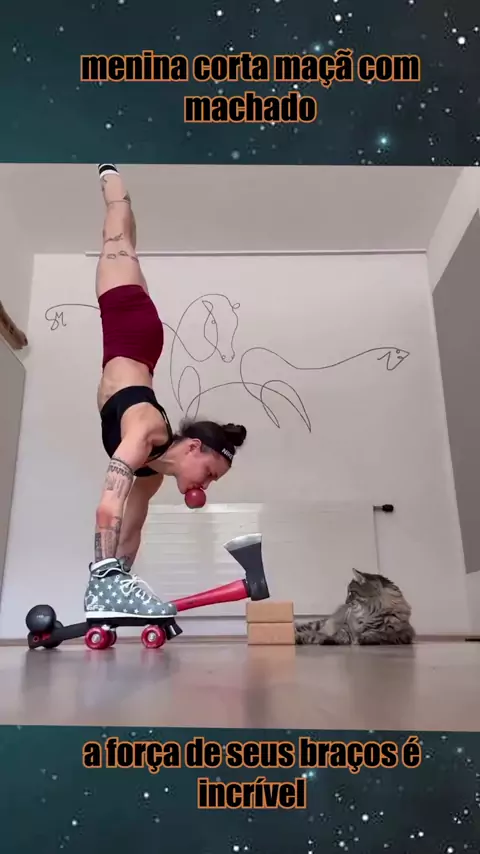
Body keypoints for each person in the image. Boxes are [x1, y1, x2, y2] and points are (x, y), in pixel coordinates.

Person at [84, 164, 247, 622]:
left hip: (141, 350)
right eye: (209, 473)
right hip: (128, 322)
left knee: (127, 248)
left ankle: (121, 195)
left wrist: (118, 584)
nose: (203, 486)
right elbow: (108, 503)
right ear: (193, 447)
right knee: (117, 235)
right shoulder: (147, 429)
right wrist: (101, 576)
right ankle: (111, 176)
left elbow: (130, 528)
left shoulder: (153, 473)